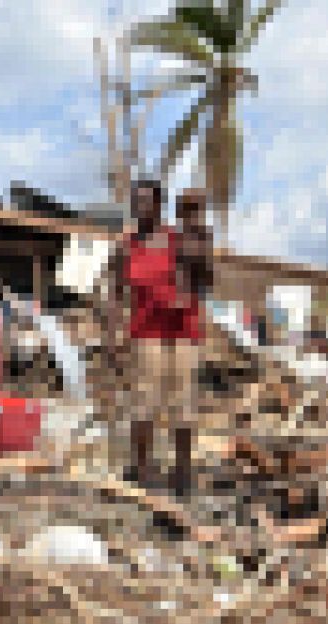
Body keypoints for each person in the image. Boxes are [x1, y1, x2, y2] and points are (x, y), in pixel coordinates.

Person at [112, 182, 212, 492]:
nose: (140, 208)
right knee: (145, 402)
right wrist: (115, 332)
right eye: (136, 202)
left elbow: (204, 280)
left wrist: (201, 241)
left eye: (146, 202)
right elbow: (116, 292)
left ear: (159, 206)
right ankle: (143, 470)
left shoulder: (179, 239)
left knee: (183, 403)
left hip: (183, 329)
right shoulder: (127, 244)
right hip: (146, 331)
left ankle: (182, 472)